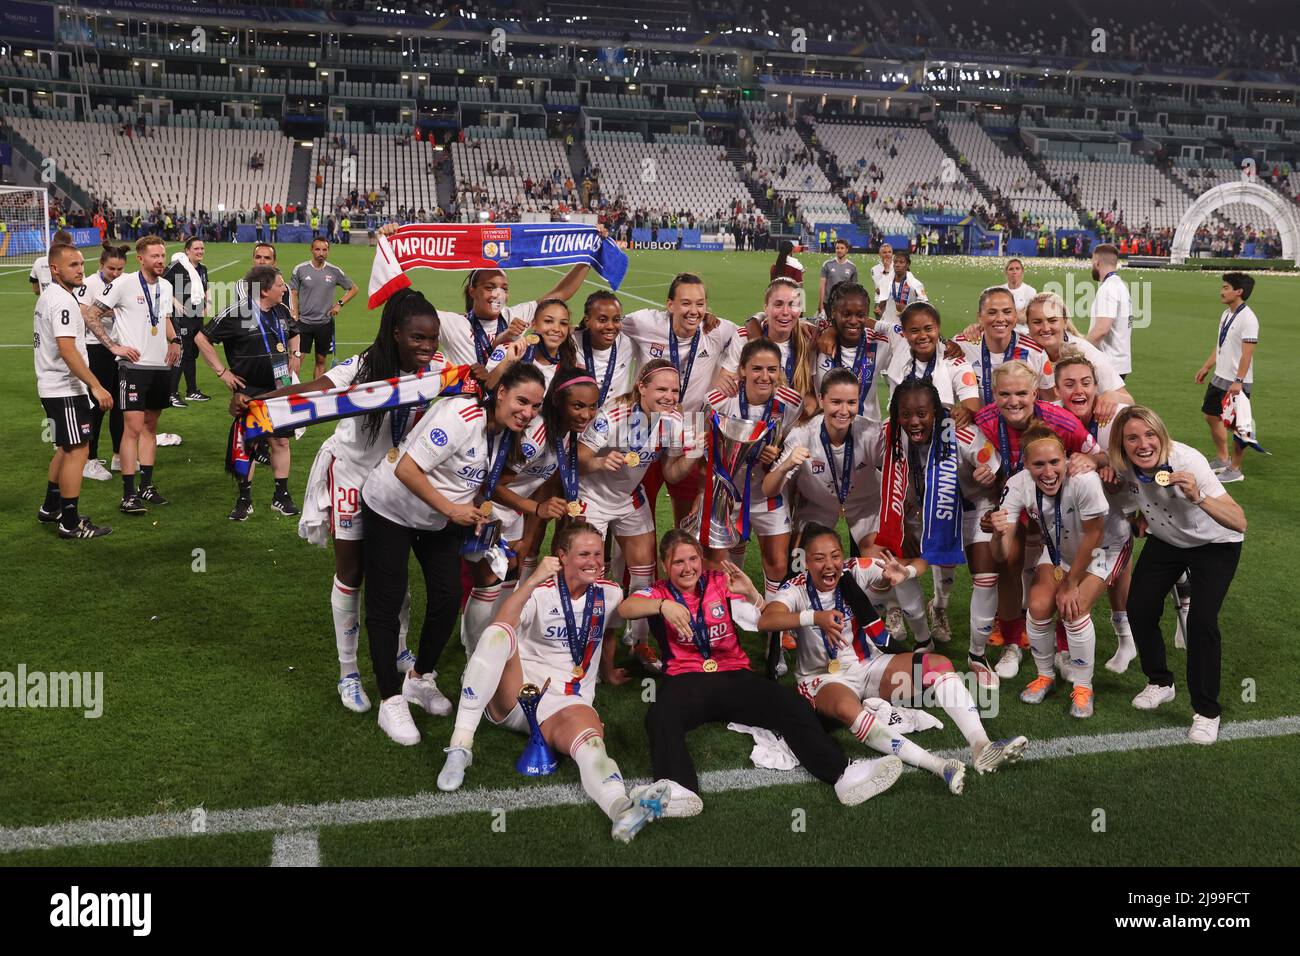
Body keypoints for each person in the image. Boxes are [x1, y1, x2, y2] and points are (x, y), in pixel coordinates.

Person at [232, 289, 467, 711]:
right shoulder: (361, 367)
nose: (428, 347)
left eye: (433, 339)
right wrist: (258, 402)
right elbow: (313, 392)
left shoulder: (438, 370)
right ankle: (348, 672)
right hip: (355, 479)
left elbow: (472, 386)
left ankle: (396, 650)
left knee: (393, 575)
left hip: (400, 484)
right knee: (352, 573)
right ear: (395, 334)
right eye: (418, 338)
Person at [619, 530, 905, 814]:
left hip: (734, 676)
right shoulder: (658, 591)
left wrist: (752, 594)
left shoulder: (719, 581)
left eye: (693, 559)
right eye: (678, 562)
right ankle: (677, 789)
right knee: (660, 715)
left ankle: (844, 775)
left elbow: (768, 618)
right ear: (666, 565)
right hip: (685, 680)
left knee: (790, 704)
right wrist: (662, 606)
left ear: (702, 559)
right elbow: (625, 608)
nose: (687, 568)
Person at [437, 527, 673, 843]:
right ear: (562, 557)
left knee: (592, 746)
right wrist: (532, 579)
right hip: (516, 689)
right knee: (498, 635)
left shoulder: (610, 592)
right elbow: (503, 621)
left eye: (598, 554)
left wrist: (610, 669)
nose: (595, 562)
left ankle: (621, 810)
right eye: (584, 554)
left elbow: (609, 633)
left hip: (568, 701)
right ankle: (461, 745)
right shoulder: (541, 589)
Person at [359, 362, 547, 746]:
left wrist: (478, 510)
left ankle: (420, 678)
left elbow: (476, 482)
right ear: (501, 392)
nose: (527, 413)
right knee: (387, 600)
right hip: (390, 509)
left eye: (536, 406)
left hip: (437, 520)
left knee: (446, 598)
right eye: (522, 401)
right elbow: (407, 469)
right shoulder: (461, 415)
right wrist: (452, 509)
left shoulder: (506, 433)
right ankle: (389, 699)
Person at [758, 523, 1027, 789]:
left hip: (871, 665)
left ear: (843, 556)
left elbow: (920, 562)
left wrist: (904, 571)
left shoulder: (854, 570)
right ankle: (936, 765)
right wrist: (814, 617)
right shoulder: (795, 589)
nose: (829, 564)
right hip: (825, 678)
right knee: (845, 708)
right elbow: (766, 621)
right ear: (806, 562)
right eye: (818, 558)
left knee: (939, 665)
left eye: (835, 555)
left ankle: (981, 745)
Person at [1110, 406, 1246, 744]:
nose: (1143, 444)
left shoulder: (1187, 461)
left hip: (1215, 542)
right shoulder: (1121, 465)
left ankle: (1206, 712)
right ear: (1122, 445)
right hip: (1167, 540)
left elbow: (1239, 520)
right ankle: (1160, 682)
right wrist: (1136, 517)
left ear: (1161, 435)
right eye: (1133, 438)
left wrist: (1198, 497)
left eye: (1150, 435)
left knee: (1201, 622)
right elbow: (1124, 491)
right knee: (1139, 608)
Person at [974, 360, 1106, 678]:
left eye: (1021, 393)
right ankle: (1010, 642)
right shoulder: (984, 420)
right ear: (993, 395)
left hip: (1057, 506)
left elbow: (1100, 453)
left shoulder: (1062, 421)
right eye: (1004, 394)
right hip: (1015, 497)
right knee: (1008, 560)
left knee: (1061, 569)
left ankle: (1062, 646)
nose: (1014, 401)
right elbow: (977, 455)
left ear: (1036, 393)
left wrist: (1090, 459)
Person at [990, 424, 1128, 719]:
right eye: (1038, 464)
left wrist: (1070, 583)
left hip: (1105, 548)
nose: (1049, 472)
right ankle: (1045, 675)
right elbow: (1000, 554)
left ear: (1065, 458)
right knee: (1038, 606)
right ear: (1026, 465)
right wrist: (996, 534)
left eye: (1055, 462)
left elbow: (1094, 535)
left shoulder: (1084, 480)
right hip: (1058, 549)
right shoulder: (1017, 485)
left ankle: (1083, 687)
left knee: (1073, 608)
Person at [578, 360, 699, 671]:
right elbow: (578, 457)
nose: (670, 396)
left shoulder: (673, 419)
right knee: (586, 572)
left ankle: (638, 644)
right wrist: (599, 463)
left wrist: (692, 456)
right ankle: (579, 644)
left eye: (674, 390)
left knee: (644, 574)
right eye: (661, 389)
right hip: (592, 496)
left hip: (630, 498)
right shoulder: (612, 413)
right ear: (641, 388)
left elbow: (671, 474)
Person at [621, 273, 742, 527]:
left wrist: (726, 372)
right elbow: (607, 327)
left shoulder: (717, 329)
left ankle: (684, 562)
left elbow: (745, 331)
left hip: (692, 425)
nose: (694, 311)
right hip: (645, 424)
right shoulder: (645, 322)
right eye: (686, 303)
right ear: (670, 305)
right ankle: (628, 565)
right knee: (633, 511)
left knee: (688, 516)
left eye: (700, 304)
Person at [702, 339, 805, 621]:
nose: (764, 376)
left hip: (768, 494)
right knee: (726, 566)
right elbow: (706, 449)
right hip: (728, 495)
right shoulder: (718, 400)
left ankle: (777, 633)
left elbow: (793, 437)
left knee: (777, 563)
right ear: (742, 370)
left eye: (772, 369)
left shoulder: (791, 402)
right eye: (756, 368)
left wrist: (778, 453)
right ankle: (733, 620)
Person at [82, 235, 181, 515]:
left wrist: (176, 341)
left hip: (161, 366)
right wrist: (114, 346)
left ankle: (146, 487)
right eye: (155, 256)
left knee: (150, 427)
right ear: (141, 259)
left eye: (163, 256)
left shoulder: (165, 285)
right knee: (133, 428)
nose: (160, 260)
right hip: (133, 367)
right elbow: (91, 314)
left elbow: (164, 320)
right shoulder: (123, 284)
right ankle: (128, 494)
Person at [1054, 353, 1138, 673]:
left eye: (1086, 383)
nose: (1079, 390)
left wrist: (1105, 463)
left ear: (1096, 386)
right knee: (1053, 597)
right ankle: (1063, 652)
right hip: (1070, 535)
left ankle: (1124, 639)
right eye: (1069, 384)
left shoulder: (1115, 417)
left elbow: (1145, 454)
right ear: (1056, 389)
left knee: (1076, 602)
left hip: (1110, 533)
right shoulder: (1051, 419)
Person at [196, 265, 302, 520]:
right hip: (250, 389)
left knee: (281, 440)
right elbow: (201, 338)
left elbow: (295, 332)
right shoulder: (238, 312)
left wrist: (295, 354)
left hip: (280, 385)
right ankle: (244, 498)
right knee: (250, 443)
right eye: (279, 285)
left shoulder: (281, 310)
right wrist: (223, 372)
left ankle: (281, 496)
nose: (284, 288)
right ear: (265, 290)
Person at [34, 243, 115, 539]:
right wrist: (95, 385)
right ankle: (70, 522)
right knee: (79, 451)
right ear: (55, 269)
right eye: (72, 265)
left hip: (52, 386)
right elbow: (68, 350)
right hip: (64, 388)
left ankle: (50, 507)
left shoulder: (51, 296)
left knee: (66, 448)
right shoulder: (63, 301)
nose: (80, 270)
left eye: (81, 264)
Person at [435, 264, 592, 370]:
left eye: (504, 288)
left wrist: (588, 257)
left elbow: (560, 293)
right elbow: (413, 313)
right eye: (489, 288)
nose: (498, 295)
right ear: (472, 291)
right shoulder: (454, 324)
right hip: (468, 410)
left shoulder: (515, 315)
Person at [1195, 272, 1258, 483]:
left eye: (1225, 287)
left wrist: (1238, 381)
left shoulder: (1248, 319)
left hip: (1236, 381)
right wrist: (1206, 366)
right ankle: (1223, 458)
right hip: (1219, 376)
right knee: (1210, 415)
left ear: (1238, 291)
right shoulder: (1226, 314)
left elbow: (1247, 354)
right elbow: (1221, 345)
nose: (1221, 291)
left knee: (1239, 424)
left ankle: (1236, 469)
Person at [1025, 291, 1130, 412]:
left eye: (1052, 320)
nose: (1045, 328)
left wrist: (1113, 396)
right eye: (1037, 322)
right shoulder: (1024, 352)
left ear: (1064, 322)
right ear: (1028, 324)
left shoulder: (1087, 354)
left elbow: (1128, 400)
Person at [76, 242, 128, 481]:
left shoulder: (126, 281)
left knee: (120, 405)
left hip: (121, 350)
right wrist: (113, 310)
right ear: (101, 265)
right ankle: (90, 460)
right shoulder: (89, 284)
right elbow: (85, 314)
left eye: (119, 269)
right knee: (97, 405)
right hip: (96, 349)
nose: (115, 274)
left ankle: (119, 456)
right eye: (111, 269)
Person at [813, 282, 890, 421]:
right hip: (824, 433)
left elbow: (905, 332)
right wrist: (830, 328)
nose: (853, 321)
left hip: (866, 434)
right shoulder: (816, 340)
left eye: (860, 315)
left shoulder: (878, 343)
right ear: (833, 313)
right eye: (846, 314)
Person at [290, 238, 358, 380]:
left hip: (324, 324)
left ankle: (317, 393)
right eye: (317, 249)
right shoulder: (300, 269)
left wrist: (339, 304)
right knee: (296, 360)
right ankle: (292, 391)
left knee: (321, 361)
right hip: (304, 323)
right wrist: (295, 314)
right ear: (311, 249)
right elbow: (293, 292)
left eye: (324, 250)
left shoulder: (334, 271)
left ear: (328, 251)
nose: (321, 253)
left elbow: (353, 289)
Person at [164, 237, 211, 407]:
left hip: (196, 317)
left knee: (191, 354)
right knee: (180, 354)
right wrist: (174, 301)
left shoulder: (203, 269)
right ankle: (171, 394)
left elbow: (206, 287)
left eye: (202, 248)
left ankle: (192, 391)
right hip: (180, 318)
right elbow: (161, 284)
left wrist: (208, 303)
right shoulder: (177, 266)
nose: (200, 252)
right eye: (196, 249)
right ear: (187, 251)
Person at [573, 290, 634, 410]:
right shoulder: (571, 343)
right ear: (587, 321)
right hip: (579, 420)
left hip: (616, 422)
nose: (610, 326)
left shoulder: (629, 343)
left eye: (616, 320)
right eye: (602, 320)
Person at [1086, 243, 1132, 379]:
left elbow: (1101, 330)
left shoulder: (1108, 288)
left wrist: (1080, 351)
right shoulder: (1120, 285)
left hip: (1108, 364)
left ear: (1097, 262)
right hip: (1119, 362)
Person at [818, 238, 858, 315]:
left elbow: (854, 290)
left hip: (845, 304)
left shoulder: (852, 267)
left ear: (847, 250)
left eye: (842, 248)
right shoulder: (827, 264)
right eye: (837, 248)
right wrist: (821, 306)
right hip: (828, 303)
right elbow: (822, 286)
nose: (839, 250)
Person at [29, 230, 74, 296]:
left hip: (45, 304)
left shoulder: (38, 262)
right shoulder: (74, 263)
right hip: (67, 304)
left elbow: (36, 290)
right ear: (71, 245)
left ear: (52, 243)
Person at [1003, 258, 1036, 331]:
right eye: (1011, 269)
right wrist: (1018, 312)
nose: (1014, 271)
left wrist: (1003, 312)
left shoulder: (1030, 291)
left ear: (1022, 272)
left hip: (1022, 332)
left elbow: (1025, 319)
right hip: (1002, 332)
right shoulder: (1000, 290)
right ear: (1006, 272)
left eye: (1017, 269)